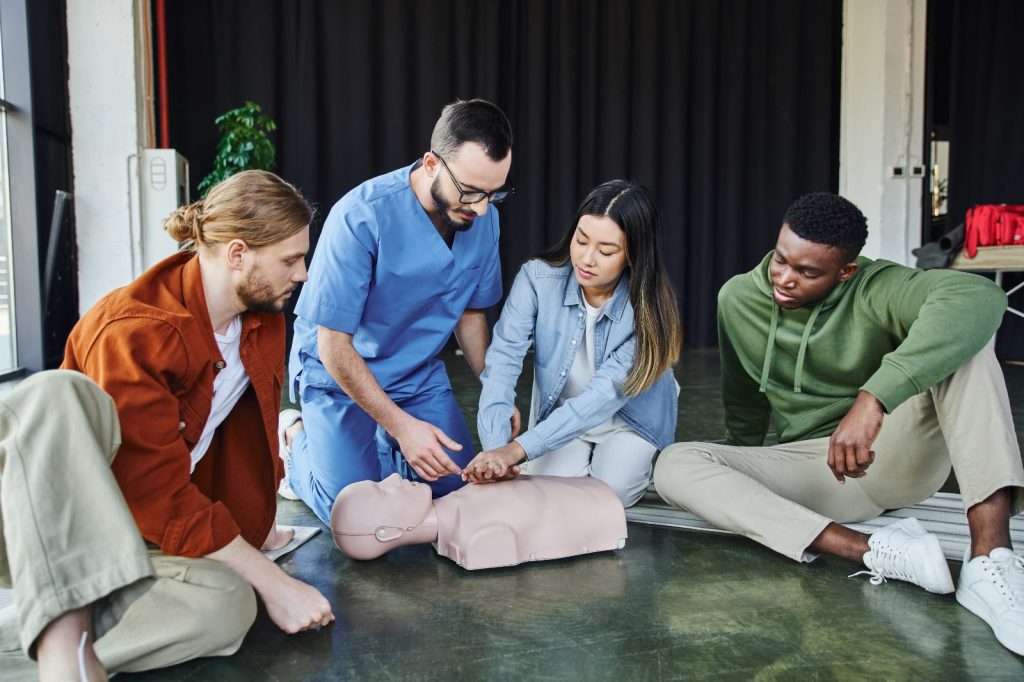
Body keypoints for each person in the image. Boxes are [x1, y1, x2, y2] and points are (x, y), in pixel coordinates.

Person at [653, 192, 1024, 656]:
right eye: (781, 261)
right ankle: (875, 549)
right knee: (674, 464)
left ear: (845, 271)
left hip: (894, 454)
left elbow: (978, 295)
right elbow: (744, 401)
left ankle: (990, 558)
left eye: (808, 273)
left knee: (968, 348)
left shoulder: (876, 287)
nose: (785, 280)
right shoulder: (738, 298)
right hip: (821, 473)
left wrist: (873, 400)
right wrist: (736, 471)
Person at [0, 171, 334, 682]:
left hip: (141, 536)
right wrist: (274, 581)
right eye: (290, 259)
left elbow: (244, 438)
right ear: (238, 254)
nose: (303, 273)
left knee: (229, 606)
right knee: (55, 393)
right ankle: (64, 645)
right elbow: (151, 489)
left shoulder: (262, 318)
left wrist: (255, 530)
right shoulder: (134, 330)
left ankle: (59, 636)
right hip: (59, 523)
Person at [284, 99, 518, 524]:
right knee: (355, 516)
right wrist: (401, 427)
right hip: (339, 374)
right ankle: (296, 440)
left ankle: (375, 450)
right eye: (470, 191)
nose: (481, 208)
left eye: (494, 193)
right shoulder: (359, 216)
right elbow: (333, 346)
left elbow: (469, 312)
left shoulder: (484, 218)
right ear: (431, 164)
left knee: (460, 492)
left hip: (414, 374)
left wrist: (494, 387)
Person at [463, 180, 682, 507]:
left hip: (629, 417)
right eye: (581, 240)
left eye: (606, 250)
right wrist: (497, 451)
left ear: (633, 255)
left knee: (612, 493)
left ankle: (645, 462)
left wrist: (517, 450)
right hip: (563, 414)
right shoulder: (536, 279)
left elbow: (601, 398)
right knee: (548, 491)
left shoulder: (648, 312)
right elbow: (503, 363)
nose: (587, 258)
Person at [330, 473, 627, 570]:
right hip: (602, 509)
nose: (394, 477)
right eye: (383, 491)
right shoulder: (476, 539)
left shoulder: (462, 500)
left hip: (597, 498)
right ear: (387, 533)